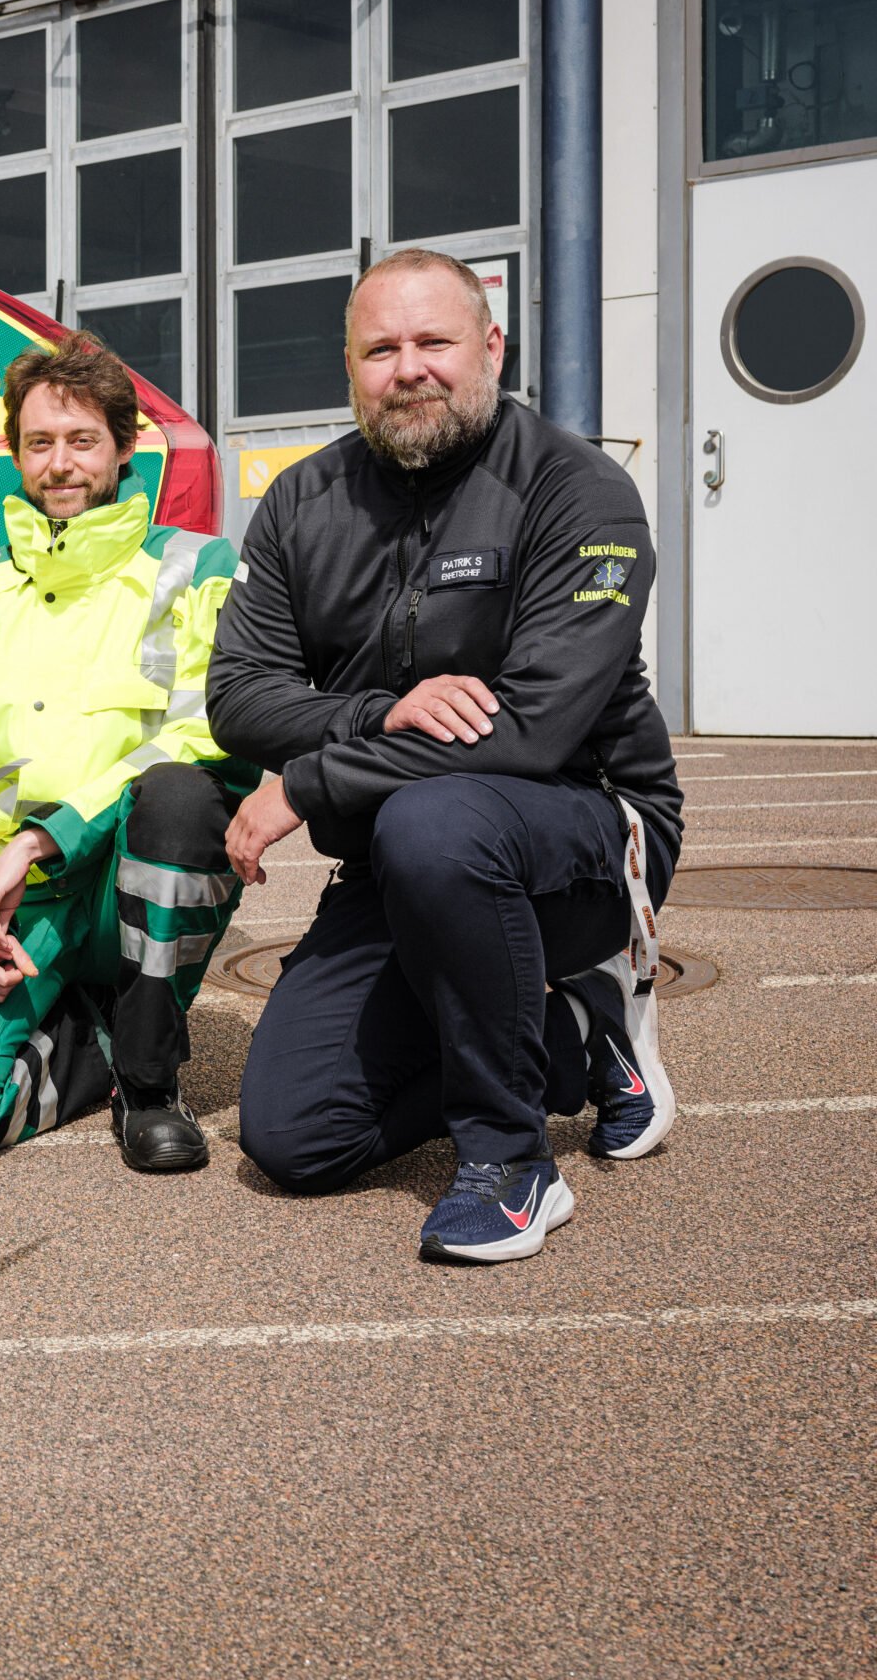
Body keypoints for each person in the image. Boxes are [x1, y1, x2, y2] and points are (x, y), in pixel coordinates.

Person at [206, 248, 683, 1264]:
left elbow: (534, 730)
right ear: (350, 369)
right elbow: (238, 697)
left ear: (491, 348)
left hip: (586, 840)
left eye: (435, 341)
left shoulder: (577, 489)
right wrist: (381, 715)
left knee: (438, 824)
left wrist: (315, 779)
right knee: (296, 1137)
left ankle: (511, 1163)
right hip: (398, 864)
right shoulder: (300, 502)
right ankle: (573, 1037)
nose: (408, 368)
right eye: (380, 349)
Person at [0, 332, 256, 1171]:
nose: (59, 465)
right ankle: (93, 1035)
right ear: (15, 454)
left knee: (181, 797)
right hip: (13, 907)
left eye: (82, 440)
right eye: (39, 442)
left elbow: (208, 732)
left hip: (131, 880)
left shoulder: (199, 568)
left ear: (123, 448)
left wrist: (47, 836)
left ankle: (148, 1081)